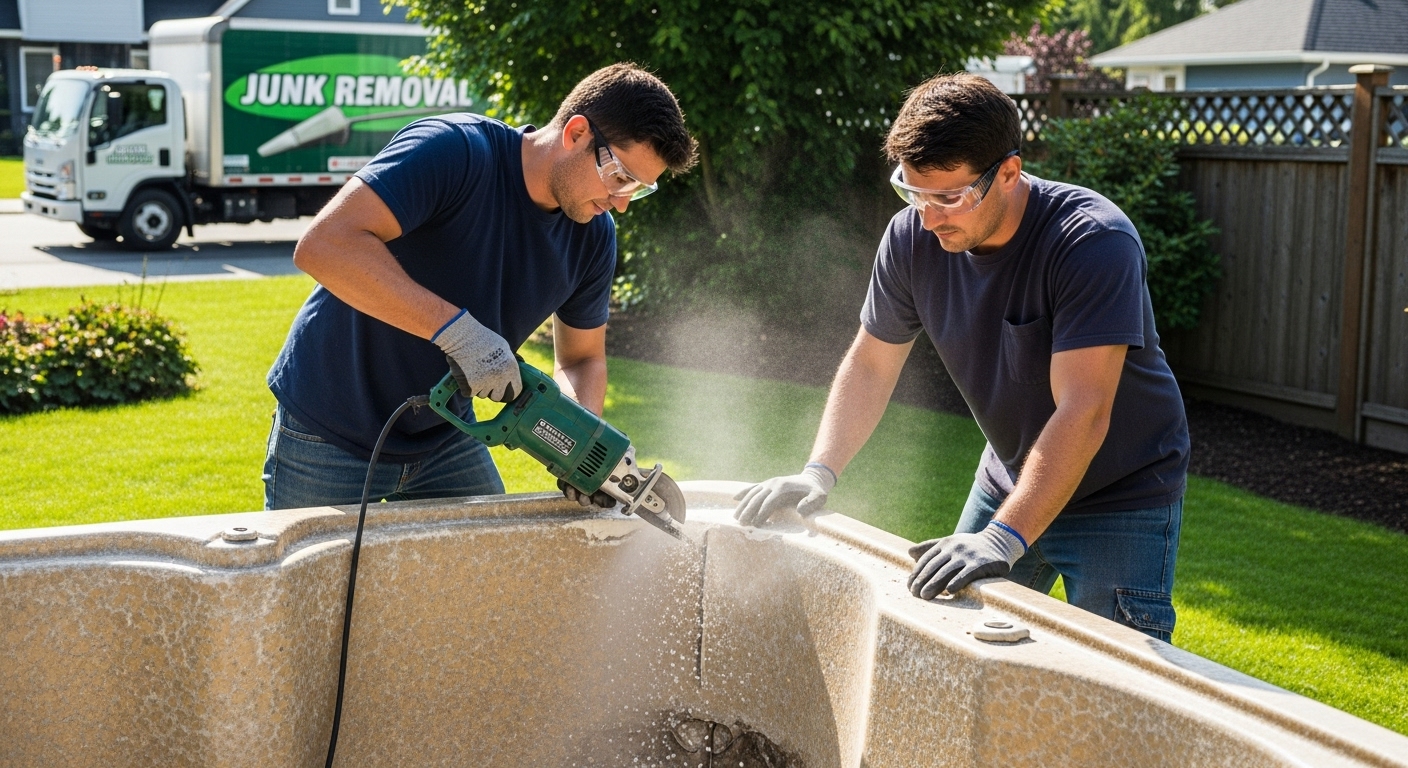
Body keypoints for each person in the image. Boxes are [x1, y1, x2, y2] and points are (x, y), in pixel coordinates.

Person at [733, 73, 1189, 642]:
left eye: (948, 197)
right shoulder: (912, 238)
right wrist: (818, 472)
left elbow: (1084, 409)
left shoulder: (1091, 242)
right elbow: (872, 364)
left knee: (1113, 685)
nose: (928, 217)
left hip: (1120, 498)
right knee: (951, 644)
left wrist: (1003, 540)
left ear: (1008, 173)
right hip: (1010, 474)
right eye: (913, 192)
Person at [263, 63, 697, 510]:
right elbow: (324, 245)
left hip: (446, 436)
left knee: (487, 576)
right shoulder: (455, 151)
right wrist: (459, 333)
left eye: (639, 189)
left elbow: (582, 358)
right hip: (328, 426)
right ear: (577, 133)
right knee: (316, 578)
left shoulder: (593, 235)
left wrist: (583, 445)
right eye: (621, 177)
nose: (622, 204)